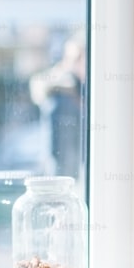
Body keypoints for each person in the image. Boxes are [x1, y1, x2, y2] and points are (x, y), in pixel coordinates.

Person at [29, 30, 86, 177]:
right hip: (66, 171)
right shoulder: (62, 95)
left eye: (80, 57)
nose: (74, 63)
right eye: (72, 58)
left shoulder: (86, 89)